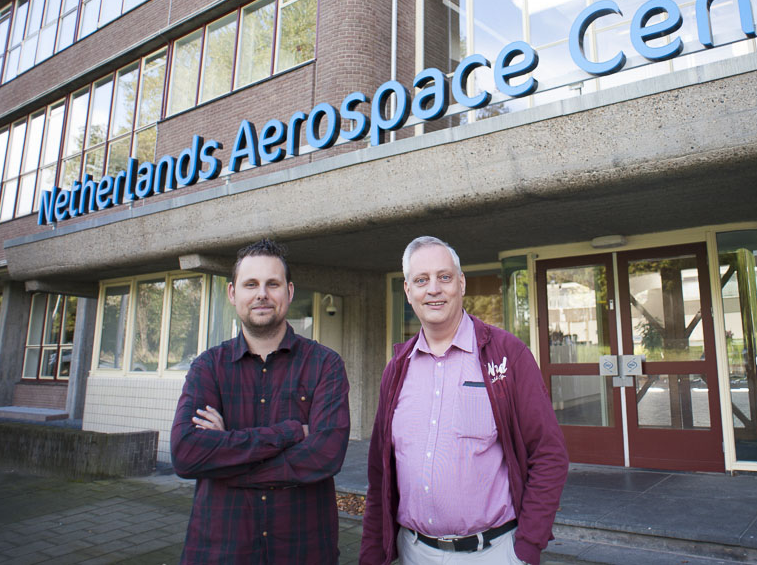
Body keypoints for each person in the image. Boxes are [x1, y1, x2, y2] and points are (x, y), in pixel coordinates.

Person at [360, 236, 568, 565]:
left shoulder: (507, 355)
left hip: (494, 553)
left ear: (461, 283)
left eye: (444, 277)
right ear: (408, 291)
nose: (433, 289)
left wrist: (526, 548)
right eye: (421, 280)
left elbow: (549, 454)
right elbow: (378, 474)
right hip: (413, 552)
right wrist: (372, 553)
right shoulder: (397, 369)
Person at [171, 238, 350, 563]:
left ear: (289, 292)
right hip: (220, 551)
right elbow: (185, 454)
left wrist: (224, 456)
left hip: (303, 551)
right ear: (232, 294)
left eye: (273, 284)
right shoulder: (208, 367)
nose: (262, 294)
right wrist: (292, 432)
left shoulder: (325, 365)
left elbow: (326, 455)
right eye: (250, 284)